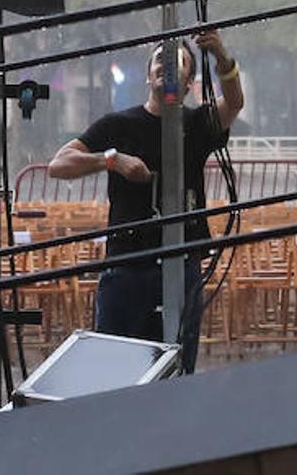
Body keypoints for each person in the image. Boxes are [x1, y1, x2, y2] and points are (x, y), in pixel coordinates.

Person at [47, 30, 244, 372]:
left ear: (189, 82)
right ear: (147, 74)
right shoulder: (117, 125)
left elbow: (234, 102)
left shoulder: (197, 123)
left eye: (178, 63)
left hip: (181, 263)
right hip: (127, 264)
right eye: (159, 60)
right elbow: (59, 165)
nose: (166, 68)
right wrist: (110, 160)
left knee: (177, 365)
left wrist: (222, 58)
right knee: (116, 366)